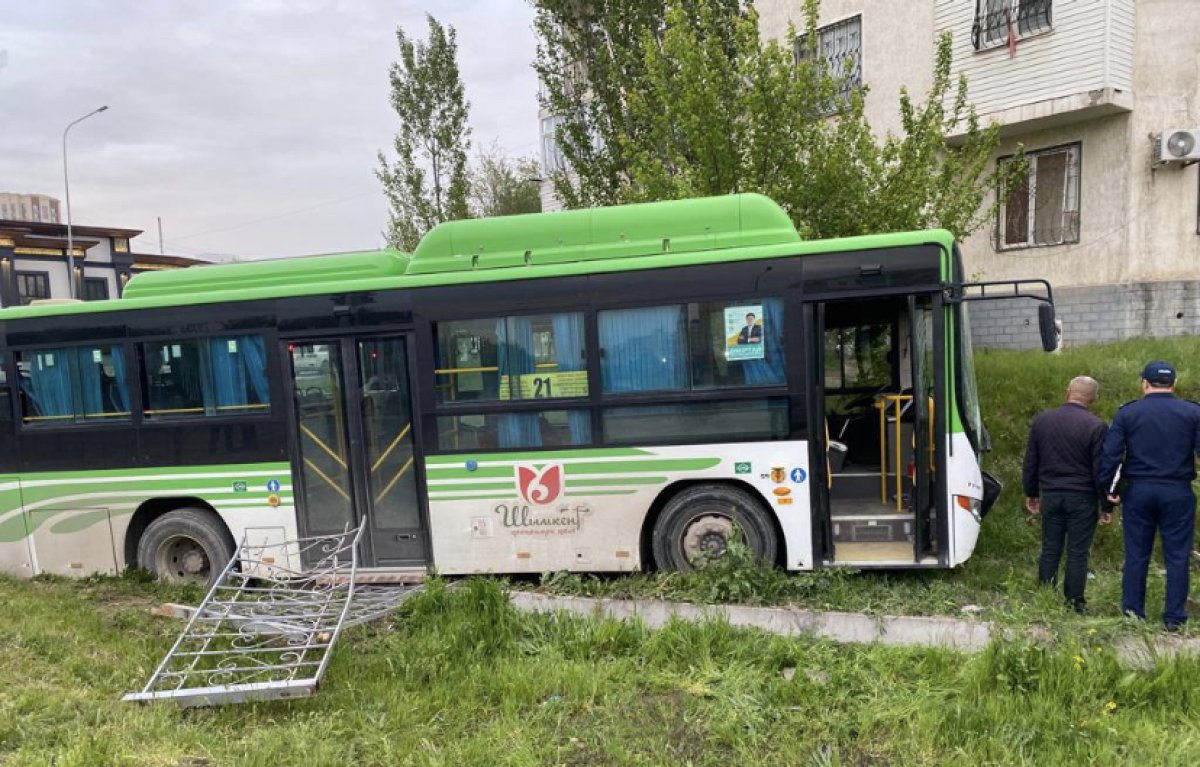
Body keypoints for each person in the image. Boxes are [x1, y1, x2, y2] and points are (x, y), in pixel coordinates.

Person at [1098, 361, 1200, 631]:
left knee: (1136, 554)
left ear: (1144, 383)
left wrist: (1110, 492)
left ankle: (1133, 613)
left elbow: (1111, 457)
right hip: (1177, 490)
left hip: (1139, 490)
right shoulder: (1193, 412)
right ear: (1174, 384)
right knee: (1177, 555)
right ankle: (1174, 618)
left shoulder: (1128, 413)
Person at [1023, 376, 1111, 612]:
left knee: (1050, 548)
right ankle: (1074, 603)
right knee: (1078, 552)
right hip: (1082, 498)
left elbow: (1031, 460)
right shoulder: (1097, 426)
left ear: (1067, 391)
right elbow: (1100, 470)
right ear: (1094, 398)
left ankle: (1045, 598)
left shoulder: (1043, 420)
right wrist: (1106, 504)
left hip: (1051, 494)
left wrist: (1031, 492)